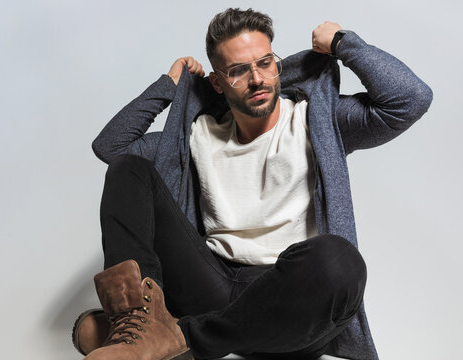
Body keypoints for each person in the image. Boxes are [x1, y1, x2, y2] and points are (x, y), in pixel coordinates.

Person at [72, 8, 432, 360]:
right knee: (128, 169)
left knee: (340, 261)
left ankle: (179, 337)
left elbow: (410, 100)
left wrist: (342, 43)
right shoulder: (198, 134)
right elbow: (111, 148)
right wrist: (169, 85)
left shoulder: (318, 121)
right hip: (210, 283)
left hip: (289, 300)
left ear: (277, 65)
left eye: (264, 63)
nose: (257, 79)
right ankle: (138, 321)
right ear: (217, 82)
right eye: (238, 71)